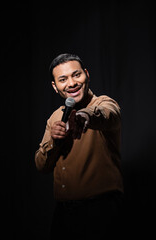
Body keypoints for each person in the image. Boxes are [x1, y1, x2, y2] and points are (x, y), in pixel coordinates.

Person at [35, 53, 124, 239]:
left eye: (76, 75)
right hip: (64, 215)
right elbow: (41, 165)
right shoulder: (55, 118)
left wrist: (85, 116)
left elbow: (107, 114)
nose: (72, 83)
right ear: (55, 86)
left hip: (101, 212)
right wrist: (54, 141)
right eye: (63, 79)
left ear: (87, 74)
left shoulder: (104, 103)